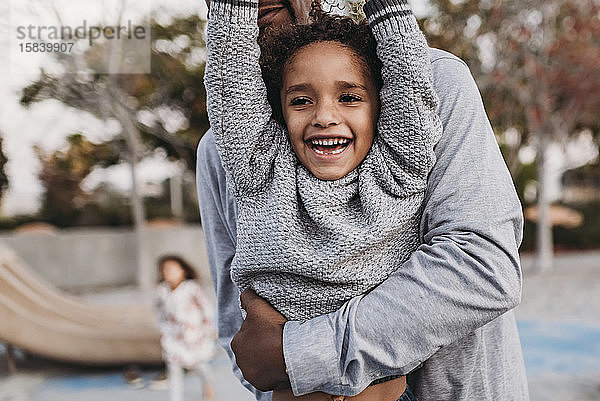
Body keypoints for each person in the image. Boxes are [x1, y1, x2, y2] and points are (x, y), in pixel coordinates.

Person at [197, 0, 529, 401]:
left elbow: (482, 267)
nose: (325, 116)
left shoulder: (431, 89)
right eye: (300, 100)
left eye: (350, 98)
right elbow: (242, 333)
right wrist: (284, 378)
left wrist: (298, 355)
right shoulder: (228, 152)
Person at [154, 255, 216, 401]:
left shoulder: (192, 288)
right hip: (174, 337)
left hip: (195, 335)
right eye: (166, 270)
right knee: (174, 369)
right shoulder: (161, 292)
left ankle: (208, 383)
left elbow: (206, 308)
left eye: (174, 269)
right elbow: (158, 312)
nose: (170, 273)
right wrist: (163, 329)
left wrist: (209, 328)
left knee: (200, 365)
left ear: (183, 271)